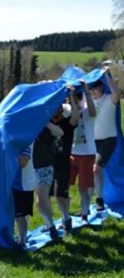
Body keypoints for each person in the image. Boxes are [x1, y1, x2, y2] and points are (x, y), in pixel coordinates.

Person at [49, 87, 79, 232]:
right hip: (47, 164)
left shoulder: (67, 123)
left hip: (63, 164)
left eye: (58, 107)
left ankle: (66, 218)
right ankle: (49, 224)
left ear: (61, 109)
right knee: (45, 196)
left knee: (61, 195)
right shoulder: (47, 123)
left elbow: (76, 116)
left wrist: (71, 96)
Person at [90, 68, 120, 211]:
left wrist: (107, 75)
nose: (93, 91)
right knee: (90, 171)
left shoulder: (109, 99)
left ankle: (99, 200)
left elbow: (116, 93)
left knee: (96, 168)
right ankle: (86, 204)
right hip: (92, 142)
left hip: (108, 141)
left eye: (95, 87)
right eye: (91, 88)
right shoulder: (88, 102)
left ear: (101, 87)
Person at [33, 118, 64, 240]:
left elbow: (60, 132)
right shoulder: (23, 124)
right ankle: (49, 225)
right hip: (29, 169)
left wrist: (45, 122)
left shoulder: (44, 123)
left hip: (44, 167)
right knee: (43, 200)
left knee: (40, 200)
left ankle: (51, 229)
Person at [70, 80, 96, 221]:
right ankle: (68, 215)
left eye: (78, 97)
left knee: (83, 187)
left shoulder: (87, 110)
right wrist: (70, 95)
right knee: (65, 185)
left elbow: (92, 111)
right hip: (72, 154)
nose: (77, 101)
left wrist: (87, 91)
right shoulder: (70, 111)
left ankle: (84, 214)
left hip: (86, 154)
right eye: (74, 99)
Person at [12, 143, 36, 247]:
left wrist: (8, 152)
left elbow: (23, 162)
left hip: (23, 185)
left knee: (20, 215)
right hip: (15, 183)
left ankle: (22, 242)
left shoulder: (26, 141)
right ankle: (20, 237)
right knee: (18, 214)